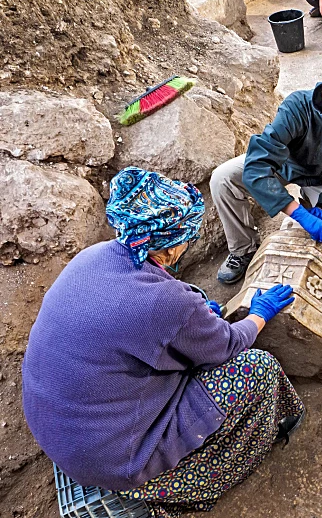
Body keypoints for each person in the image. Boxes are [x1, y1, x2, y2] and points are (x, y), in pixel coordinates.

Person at [22, 167, 303, 518]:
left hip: (58, 431)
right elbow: (230, 345)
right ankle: (208, 474)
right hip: (112, 462)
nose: (189, 244)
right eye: (188, 237)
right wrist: (259, 315)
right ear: (170, 248)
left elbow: (141, 318)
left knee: (195, 306)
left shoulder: (92, 256)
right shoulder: (166, 303)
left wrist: (193, 318)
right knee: (258, 368)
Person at [211, 64, 322, 284]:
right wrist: (298, 213)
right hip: (286, 165)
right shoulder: (298, 107)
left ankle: (312, 200)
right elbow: (257, 165)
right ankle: (243, 249)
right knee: (223, 179)